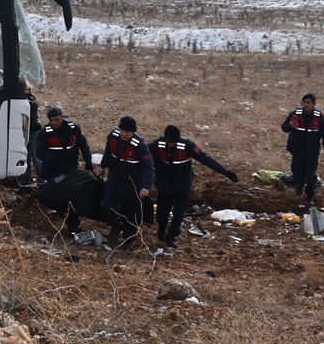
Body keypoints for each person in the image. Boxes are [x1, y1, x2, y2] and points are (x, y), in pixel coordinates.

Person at [149, 125, 238, 248]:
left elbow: (206, 159)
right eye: (169, 142)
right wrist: (154, 181)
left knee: (179, 214)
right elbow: (149, 163)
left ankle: (171, 236)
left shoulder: (187, 146)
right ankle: (162, 227)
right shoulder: (158, 144)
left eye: (174, 142)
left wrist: (226, 172)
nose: (171, 145)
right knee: (161, 213)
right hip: (165, 185)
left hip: (182, 186)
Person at [98, 116, 154, 250]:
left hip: (133, 183)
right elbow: (108, 152)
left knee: (133, 212)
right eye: (122, 130)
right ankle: (116, 224)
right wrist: (103, 165)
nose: (124, 134)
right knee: (106, 205)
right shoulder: (113, 136)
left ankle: (129, 239)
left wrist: (146, 186)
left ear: (133, 132)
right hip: (115, 178)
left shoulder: (140, 145)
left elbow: (148, 168)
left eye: (127, 131)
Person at [34, 106, 95, 231]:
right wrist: (52, 158)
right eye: (51, 120)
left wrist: (88, 161)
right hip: (53, 170)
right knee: (58, 198)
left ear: (62, 117)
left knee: (71, 195)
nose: (53, 123)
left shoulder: (73, 129)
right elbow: (39, 153)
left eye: (56, 119)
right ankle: (69, 221)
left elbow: (83, 145)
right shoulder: (44, 134)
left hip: (70, 167)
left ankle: (76, 222)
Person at [282, 93, 324, 204]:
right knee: (297, 170)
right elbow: (284, 127)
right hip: (297, 148)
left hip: (312, 150)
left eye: (308, 103)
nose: (306, 105)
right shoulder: (295, 114)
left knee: (311, 174)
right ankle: (299, 183)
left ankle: (309, 196)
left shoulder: (320, 117)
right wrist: (290, 126)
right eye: (304, 102)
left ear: (314, 104)